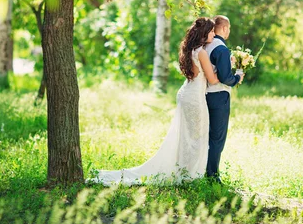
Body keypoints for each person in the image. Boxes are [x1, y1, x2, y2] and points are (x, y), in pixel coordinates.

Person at [89, 17, 220, 186]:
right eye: (211, 31)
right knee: (196, 137)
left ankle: (186, 171)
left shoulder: (190, 49)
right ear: (204, 33)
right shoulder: (201, 52)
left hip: (186, 93)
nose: (213, 34)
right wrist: (235, 72)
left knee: (187, 137)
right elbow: (212, 79)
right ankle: (190, 175)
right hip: (195, 98)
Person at [204, 16, 244, 183]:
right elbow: (225, 77)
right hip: (219, 96)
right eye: (229, 28)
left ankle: (203, 170)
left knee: (206, 136)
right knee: (217, 138)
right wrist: (237, 77)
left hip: (205, 94)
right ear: (225, 28)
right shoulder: (221, 48)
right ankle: (212, 176)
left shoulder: (206, 45)